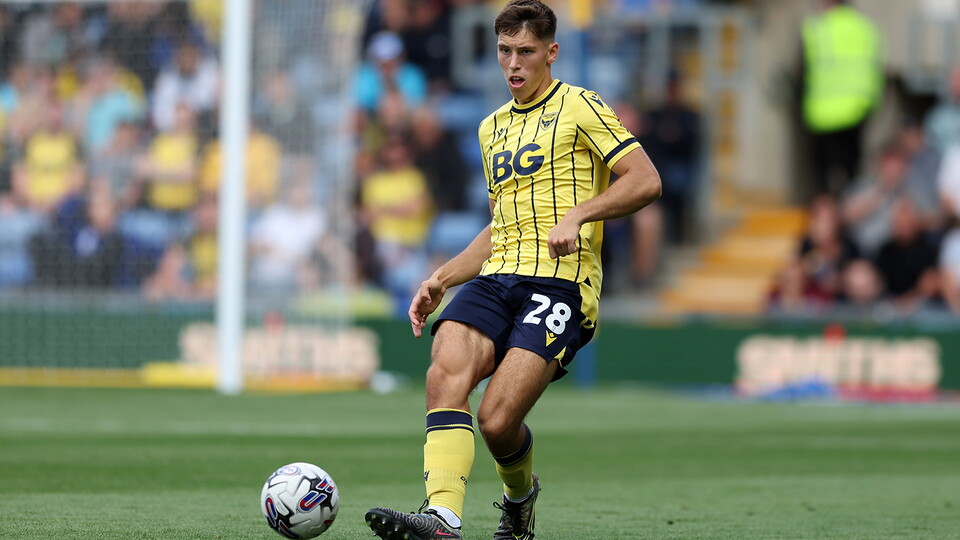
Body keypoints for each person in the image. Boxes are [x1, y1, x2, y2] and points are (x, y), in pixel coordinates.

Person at [363, 2, 662, 540]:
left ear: (551, 52)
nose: (514, 64)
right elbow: (501, 225)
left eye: (526, 51)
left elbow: (645, 180)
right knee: (445, 366)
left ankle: (520, 501)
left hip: (561, 284)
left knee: (497, 421)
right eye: (505, 51)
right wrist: (442, 277)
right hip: (498, 276)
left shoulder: (581, 106)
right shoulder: (490, 128)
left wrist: (580, 214)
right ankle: (442, 518)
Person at [800, 0, 883, 197]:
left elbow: (804, 68)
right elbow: (876, 68)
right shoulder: (866, 27)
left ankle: (827, 208)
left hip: (823, 110)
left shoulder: (817, 28)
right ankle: (849, 203)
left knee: (822, 174)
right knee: (852, 168)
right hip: (858, 108)